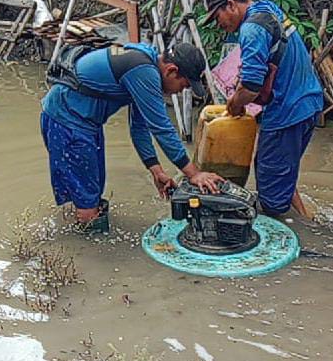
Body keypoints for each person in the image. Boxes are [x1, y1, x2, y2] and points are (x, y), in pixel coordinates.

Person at [41, 41, 223, 227]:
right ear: (171, 71)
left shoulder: (144, 65)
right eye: (183, 85)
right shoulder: (144, 71)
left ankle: (79, 228)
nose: (180, 91)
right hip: (67, 121)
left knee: (90, 190)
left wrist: (156, 170)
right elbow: (161, 128)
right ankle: (86, 251)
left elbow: (139, 127)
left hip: (83, 121)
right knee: (87, 201)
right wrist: (193, 174)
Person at [201, 0, 323, 218]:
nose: (219, 24)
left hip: (286, 113)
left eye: (217, 17)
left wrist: (234, 104)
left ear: (231, 5)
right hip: (308, 103)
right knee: (278, 172)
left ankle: (285, 236)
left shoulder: (251, 29)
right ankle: (308, 220)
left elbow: (251, 88)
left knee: (270, 199)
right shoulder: (268, 8)